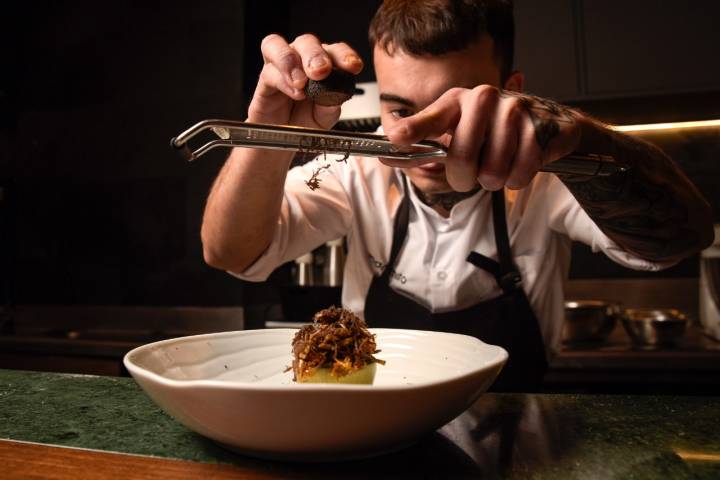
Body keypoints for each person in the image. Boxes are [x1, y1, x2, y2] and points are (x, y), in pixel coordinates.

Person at [200, 0, 713, 390]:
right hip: (373, 432)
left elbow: (678, 241)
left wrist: (584, 138)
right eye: (400, 110)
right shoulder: (354, 171)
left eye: (453, 111)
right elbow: (231, 252)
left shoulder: (547, 177)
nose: (419, 142)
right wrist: (263, 134)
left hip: (519, 437)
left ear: (510, 91)